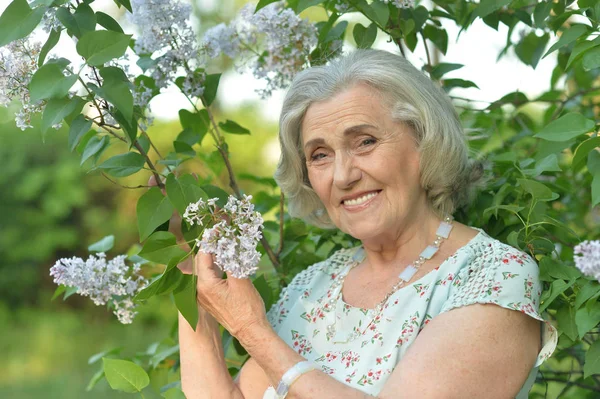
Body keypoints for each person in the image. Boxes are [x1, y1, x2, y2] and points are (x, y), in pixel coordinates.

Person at [177, 49, 557, 398]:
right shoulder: (313, 285)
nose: (343, 175)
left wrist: (251, 330)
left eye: (365, 142)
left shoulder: (492, 275)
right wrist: (192, 284)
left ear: (424, 142)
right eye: (320, 154)